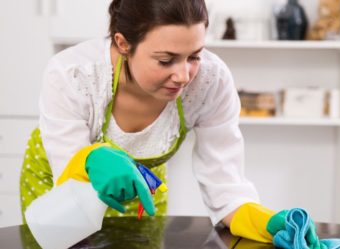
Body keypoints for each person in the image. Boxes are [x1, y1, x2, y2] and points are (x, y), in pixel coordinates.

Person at [20, 0, 317, 244]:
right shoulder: (72, 74)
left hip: (142, 192)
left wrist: (263, 221)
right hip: (60, 191)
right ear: (123, 43)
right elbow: (66, 165)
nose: (184, 76)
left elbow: (225, 186)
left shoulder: (211, 82)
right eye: (166, 60)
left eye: (194, 56)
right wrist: (90, 158)